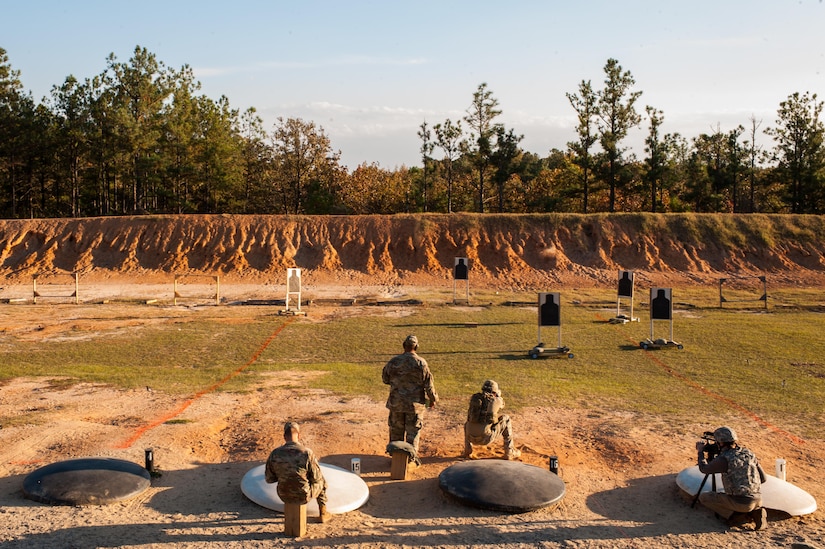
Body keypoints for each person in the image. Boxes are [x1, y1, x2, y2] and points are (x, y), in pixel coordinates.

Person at [695, 426, 767, 530]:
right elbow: (763, 479)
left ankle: (738, 517)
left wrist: (700, 452)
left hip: (741, 503)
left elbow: (704, 469)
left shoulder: (724, 459)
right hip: (758, 499)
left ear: (721, 443)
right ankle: (756, 512)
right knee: (739, 498)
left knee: (705, 497)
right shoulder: (749, 454)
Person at [382, 334, 438, 454]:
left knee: (396, 432)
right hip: (415, 406)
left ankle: (395, 458)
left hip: (396, 404)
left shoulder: (394, 362)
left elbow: (385, 379)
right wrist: (433, 399)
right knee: (412, 434)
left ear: (404, 346)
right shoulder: (421, 363)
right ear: (416, 346)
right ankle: (410, 459)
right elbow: (428, 384)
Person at [265, 421, 330, 523]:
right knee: (321, 480)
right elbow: (316, 478)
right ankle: (323, 513)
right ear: (299, 436)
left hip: (283, 494)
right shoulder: (307, 453)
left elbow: (269, 479)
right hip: (304, 495)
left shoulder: (275, 454)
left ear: (284, 436)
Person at [463, 379, 521, 460]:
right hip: (485, 439)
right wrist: (498, 396)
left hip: (470, 437)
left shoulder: (474, 399)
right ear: (494, 391)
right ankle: (509, 451)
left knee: (468, 423)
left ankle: (467, 450)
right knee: (506, 418)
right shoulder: (496, 400)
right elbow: (502, 404)